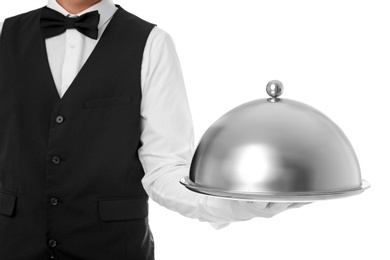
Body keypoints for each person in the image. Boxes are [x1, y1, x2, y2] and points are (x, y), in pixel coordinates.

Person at [0, 0, 309, 259]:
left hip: (114, 250)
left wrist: (245, 201)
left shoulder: (151, 42)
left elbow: (165, 169)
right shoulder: (5, 34)